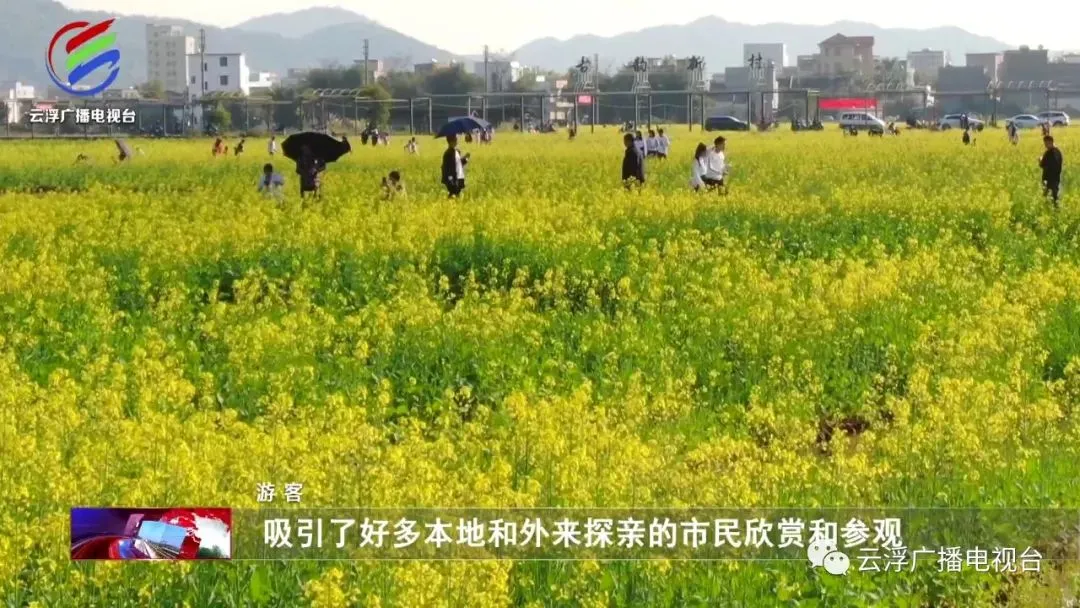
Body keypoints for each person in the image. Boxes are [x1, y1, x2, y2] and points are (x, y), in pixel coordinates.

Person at [441, 133, 469, 198]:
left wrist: (466, 159)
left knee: (457, 194)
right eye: (455, 139)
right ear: (450, 141)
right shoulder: (447, 154)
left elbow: (459, 163)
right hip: (453, 178)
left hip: (459, 176)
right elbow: (447, 168)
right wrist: (450, 180)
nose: (457, 141)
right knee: (453, 193)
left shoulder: (457, 151)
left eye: (456, 139)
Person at [1040, 135, 1063, 208]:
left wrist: (1040, 161)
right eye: (1045, 143)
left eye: (1046, 143)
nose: (1045, 145)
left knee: (1054, 198)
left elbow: (1044, 164)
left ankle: (1056, 212)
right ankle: (1049, 210)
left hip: (1052, 179)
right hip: (1052, 179)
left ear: (1051, 142)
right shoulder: (1057, 151)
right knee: (1048, 198)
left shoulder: (1051, 152)